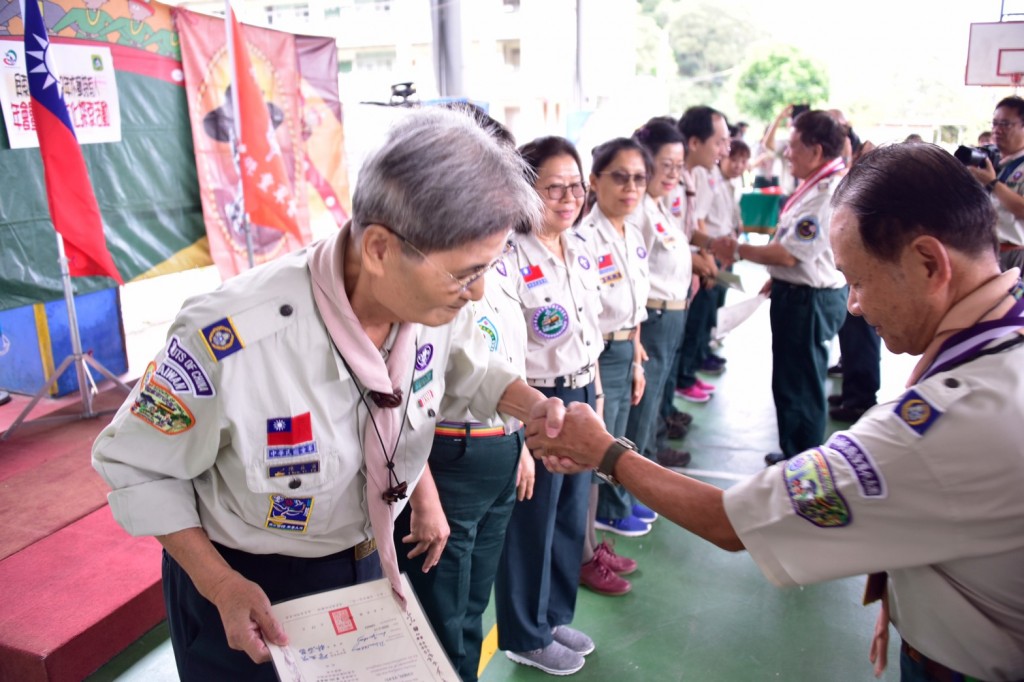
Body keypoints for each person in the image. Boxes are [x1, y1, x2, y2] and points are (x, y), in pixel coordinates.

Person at [91, 108, 570, 681]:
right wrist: (218, 583)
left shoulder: (430, 307)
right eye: (466, 273)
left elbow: (472, 370)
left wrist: (534, 408)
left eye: (489, 268)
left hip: (368, 563)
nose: (479, 292)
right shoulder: (232, 337)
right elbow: (139, 467)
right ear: (378, 248)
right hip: (249, 587)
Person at [529, 142, 1024, 682]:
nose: (854, 305)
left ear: (929, 263)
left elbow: (732, 521)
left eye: (859, 281)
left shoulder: (940, 426)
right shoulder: (1001, 348)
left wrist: (607, 453)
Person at [390, 107, 534, 682]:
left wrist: (524, 434)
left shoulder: (492, 266)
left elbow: (493, 366)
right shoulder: (420, 273)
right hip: (446, 455)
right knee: (439, 614)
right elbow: (400, 397)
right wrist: (424, 494)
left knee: (473, 606)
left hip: (498, 448)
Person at [495, 135, 612, 675]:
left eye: (575, 187)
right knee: (533, 521)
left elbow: (589, 334)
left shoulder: (580, 246)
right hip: (538, 401)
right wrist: (518, 432)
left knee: (569, 515)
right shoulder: (510, 257)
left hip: (582, 390)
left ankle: (553, 615)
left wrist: (598, 395)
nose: (568, 198)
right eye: (553, 188)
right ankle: (523, 632)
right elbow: (505, 351)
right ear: (526, 191)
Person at [714, 110, 848, 466]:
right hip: (799, 292)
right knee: (792, 378)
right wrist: (778, 274)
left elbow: (790, 254)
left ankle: (803, 459)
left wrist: (739, 250)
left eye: (793, 146)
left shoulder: (825, 193)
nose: (786, 154)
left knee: (801, 382)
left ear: (816, 151)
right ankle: (794, 450)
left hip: (810, 300)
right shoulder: (816, 186)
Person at [582, 138, 653, 541]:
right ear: (595, 181)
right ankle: (585, 547)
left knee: (617, 445)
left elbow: (635, 306)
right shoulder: (584, 240)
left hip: (626, 348)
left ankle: (601, 525)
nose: (631, 188)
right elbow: (586, 318)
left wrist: (637, 361)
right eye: (620, 178)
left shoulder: (633, 234)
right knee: (597, 450)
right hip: (599, 353)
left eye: (639, 179)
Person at [626, 119, 693, 469]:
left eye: (679, 167)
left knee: (652, 403)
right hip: (652, 318)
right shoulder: (637, 209)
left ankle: (646, 468)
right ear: (646, 161)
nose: (673, 174)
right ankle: (628, 488)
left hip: (671, 316)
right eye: (665, 165)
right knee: (643, 404)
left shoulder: (657, 204)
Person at [674, 106, 730, 403]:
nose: (724, 149)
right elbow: (672, 237)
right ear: (695, 142)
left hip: (690, 268)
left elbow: (690, 226)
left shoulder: (692, 176)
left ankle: (668, 411)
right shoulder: (674, 179)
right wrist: (705, 263)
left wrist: (710, 250)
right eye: (719, 142)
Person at [965, 95, 1024, 272]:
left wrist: (992, 183)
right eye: (995, 124)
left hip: (1016, 252)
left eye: (1005, 124)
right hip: (986, 249)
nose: (997, 130)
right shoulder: (992, 161)